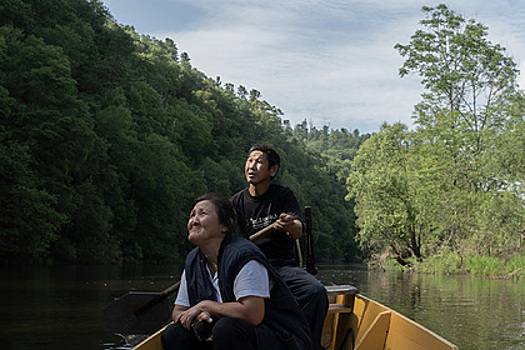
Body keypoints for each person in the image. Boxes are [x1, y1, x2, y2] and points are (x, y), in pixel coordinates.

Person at [161, 192, 312, 350]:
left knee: (227, 329)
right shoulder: (193, 260)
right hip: (225, 336)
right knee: (174, 333)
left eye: (202, 214)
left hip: (278, 339)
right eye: (192, 215)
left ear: (225, 226)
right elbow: (179, 311)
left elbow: (252, 314)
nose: (194, 221)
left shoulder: (244, 257)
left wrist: (206, 306)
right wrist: (198, 316)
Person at [231, 144, 329, 349]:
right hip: (249, 269)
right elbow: (231, 246)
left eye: (259, 162)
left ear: (272, 170)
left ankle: (306, 345)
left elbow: (298, 231)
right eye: (250, 160)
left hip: (282, 267)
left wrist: (290, 224)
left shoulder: (283, 195)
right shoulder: (235, 203)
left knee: (315, 292)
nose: (252, 166)